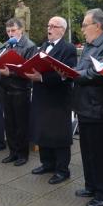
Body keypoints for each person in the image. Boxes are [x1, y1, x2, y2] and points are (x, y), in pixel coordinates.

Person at [72, 8, 103, 206]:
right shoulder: (92, 44)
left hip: (100, 108)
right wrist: (69, 71)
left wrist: (72, 74)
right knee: (87, 151)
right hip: (86, 106)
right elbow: (83, 69)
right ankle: (91, 186)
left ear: (97, 26)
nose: (82, 29)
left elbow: (97, 75)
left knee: (100, 154)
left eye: (85, 25)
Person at [26, 16, 77, 184]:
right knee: (42, 131)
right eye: (48, 25)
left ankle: (62, 170)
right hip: (41, 96)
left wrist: (42, 78)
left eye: (53, 26)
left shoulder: (68, 48)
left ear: (62, 29)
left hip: (58, 98)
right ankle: (47, 163)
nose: (49, 29)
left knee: (59, 134)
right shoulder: (44, 45)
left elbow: (67, 75)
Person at [0, 18, 37, 166]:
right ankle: (12, 152)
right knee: (9, 123)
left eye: (13, 30)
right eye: (8, 31)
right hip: (6, 89)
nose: (10, 34)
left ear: (21, 30)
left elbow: (29, 70)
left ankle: (22, 154)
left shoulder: (29, 46)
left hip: (21, 90)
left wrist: (10, 73)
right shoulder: (7, 45)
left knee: (21, 124)